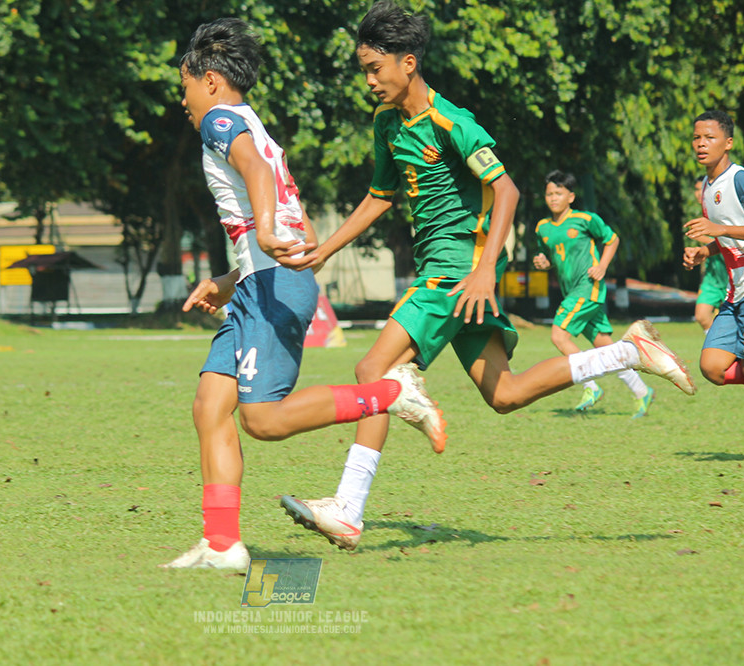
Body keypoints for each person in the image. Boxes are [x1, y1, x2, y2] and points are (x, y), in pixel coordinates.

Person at [279, 0, 696, 551]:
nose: (369, 81)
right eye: (364, 70)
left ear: (408, 63)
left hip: (456, 272)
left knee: (372, 370)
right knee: (505, 394)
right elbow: (379, 196)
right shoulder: (386, 124)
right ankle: (628, 352)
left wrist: (481, 272)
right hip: (452, 274)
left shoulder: (452, 122)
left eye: (375, 68)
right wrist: (325, 252)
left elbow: (507, 191)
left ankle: (348, 508)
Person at [161, 18, 446, 570]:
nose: (184, 100)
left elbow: (256, 183)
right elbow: (295, 227)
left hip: (271, 287)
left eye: (185, 86)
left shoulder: (221, 121)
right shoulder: (255, 127)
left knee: (263, 421)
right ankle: (222, 544)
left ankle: (390, 394)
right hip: (261, 284)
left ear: (211, 80)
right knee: (210, 406)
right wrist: (228, 280)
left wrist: (265, 234)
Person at [683, 110, 744, 465]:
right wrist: (705, 251)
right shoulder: (707, 185)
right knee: (712, 367)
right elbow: (728, 236)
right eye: (697, 137)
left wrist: (719, 230)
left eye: (709, 137)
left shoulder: (740, 179)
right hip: (736, 292)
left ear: (728, 143)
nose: (701, 144)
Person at [532, 170, 654, 418]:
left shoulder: (585, 219)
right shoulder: (542, 228)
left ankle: (590, 385)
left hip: (587, 288)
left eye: (558, 193)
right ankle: (642, 391)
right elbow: (550, 255)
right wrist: (544, 263)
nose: (553, 198)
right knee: (606, 349)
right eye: (549, 194)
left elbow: (612, 239)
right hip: (571, 291)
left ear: (571, 197)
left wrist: (602, 266)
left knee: (559, 336)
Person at [690, 176, 729, 331]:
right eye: (696, 189)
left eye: (702, 189)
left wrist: (705, 240)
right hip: (712, 279)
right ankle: (716, 343)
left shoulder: (722, 211)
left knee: (735, 322)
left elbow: (727, 239)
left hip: (730, 276)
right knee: (702, 316)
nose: (699, 193)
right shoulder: (700, 214)